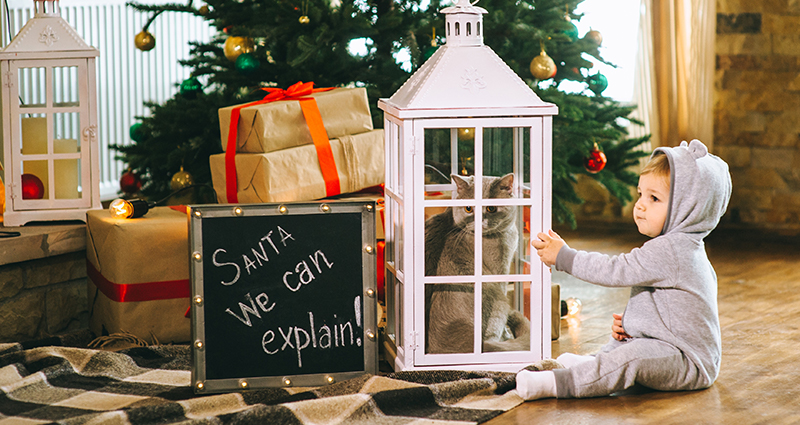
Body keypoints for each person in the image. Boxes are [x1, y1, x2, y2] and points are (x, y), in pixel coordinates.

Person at [517, 139, 732, 400]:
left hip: (689, 363)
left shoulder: (673, 250)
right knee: (626, 344)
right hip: (671, 347)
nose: (640, 205)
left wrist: (564, 256)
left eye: (654, 198)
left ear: (688, 209)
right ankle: (595, 365)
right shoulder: (681, 247)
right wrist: (635, 323)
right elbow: (674, 311)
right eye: (641, 194)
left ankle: (558, 384)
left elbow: (615, 270)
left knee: (633, 356)